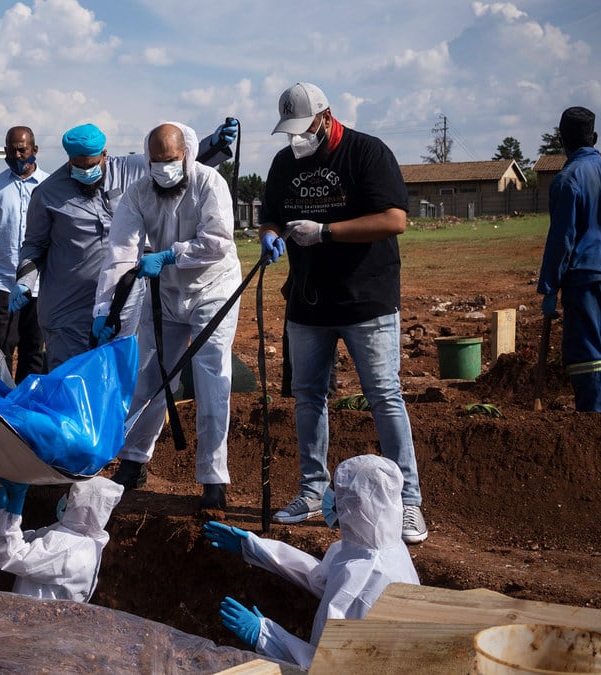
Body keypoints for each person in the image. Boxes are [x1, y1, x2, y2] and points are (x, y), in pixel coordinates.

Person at [258, 82, 427, 544]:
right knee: (308, 397)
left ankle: (408, 501)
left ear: (327, 117)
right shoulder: (284, 163)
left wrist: (326, 232)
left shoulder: (367, 153)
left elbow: (394, 219)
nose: (298, 138)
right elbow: (270, 215)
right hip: (308, 301)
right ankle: (312, 491)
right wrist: (269, 236)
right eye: (291, 131)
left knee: (384, 396)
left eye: (304, 128)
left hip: (365, 300)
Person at [92, 122, 241, 510]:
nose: (164, 168)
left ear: (186, 154)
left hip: (213, 288)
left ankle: (213, 478)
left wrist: (171, 255)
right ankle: (133, 461)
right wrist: (105, 310)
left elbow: (218, 241)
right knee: (151, 375)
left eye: (171, 159)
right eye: (156, 161)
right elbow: (120, 254)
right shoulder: (138, 193)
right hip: (167, 293)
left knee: (211, 378)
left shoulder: (209, 183)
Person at [15, 119, 239, 371]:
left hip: (122, 299)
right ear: (69, 160)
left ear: (104, 155)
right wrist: (25, 281)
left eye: (92, 165)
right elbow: (34, 244)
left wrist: (214, 143)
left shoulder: (129, 169)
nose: (86, 173)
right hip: (68, 307)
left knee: (121, 373)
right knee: (71, 375)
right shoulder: (46, 193)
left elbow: (173, 162)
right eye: (79, 167)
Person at [203, 455, 420, 670]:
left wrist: (266, 636)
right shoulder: (382, 549)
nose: (330, 496)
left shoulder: (369, 583)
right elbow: (322, 577)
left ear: (357, 504)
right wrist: (255, 547)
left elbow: (330, 667)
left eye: (336, 490)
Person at [537, 106, 601, 413]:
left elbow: (562, 239)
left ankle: (593, 416)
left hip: (584, 274)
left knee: (586, 352)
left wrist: (549, 287)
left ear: (561, 140)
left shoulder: (567, 179)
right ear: (594, 137)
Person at [0, 126, 49, 382]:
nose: (17, 156)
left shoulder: (49, 186)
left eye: (22, 150)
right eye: (11, 151)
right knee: (0, 348)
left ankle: (26, 400)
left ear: (34, 150)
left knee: (33, 349)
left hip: (39, 286)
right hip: (2, 284)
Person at [0, 476, 124, 602]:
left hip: (35, 616)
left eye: (71, 495)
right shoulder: (82, 537)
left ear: (80, 502)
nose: (66, 498)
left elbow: (13, 555)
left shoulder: (71, 551)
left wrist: (15, 503)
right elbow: (22, 540)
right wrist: (2, 511)